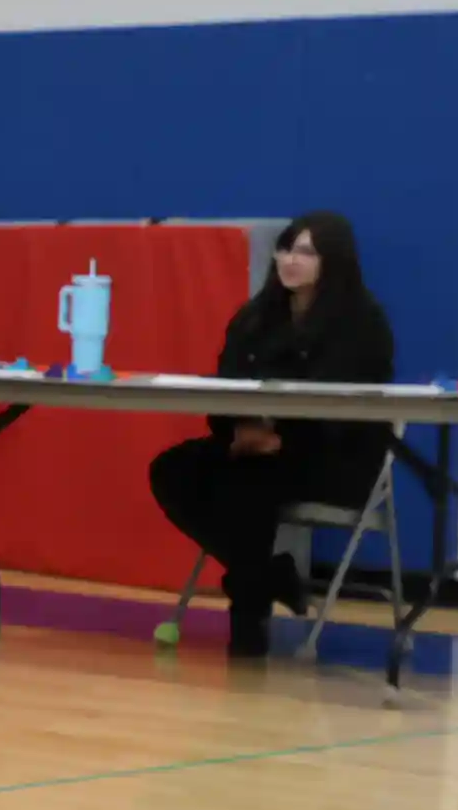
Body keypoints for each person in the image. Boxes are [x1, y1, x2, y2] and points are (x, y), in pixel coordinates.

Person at [148, 211, 397, 657]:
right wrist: (237, 430)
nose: (290, 259)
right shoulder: (256, 317)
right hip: (256, 448)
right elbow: (224, 388)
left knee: (248, 482)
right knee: (172, 469)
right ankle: (270, 577)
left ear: (334, 260)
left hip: (334, 459)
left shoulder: (362, 323)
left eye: (306, 252)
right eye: (285, 248)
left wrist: (283, 441)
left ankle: (248, 623)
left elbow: (348, 414)